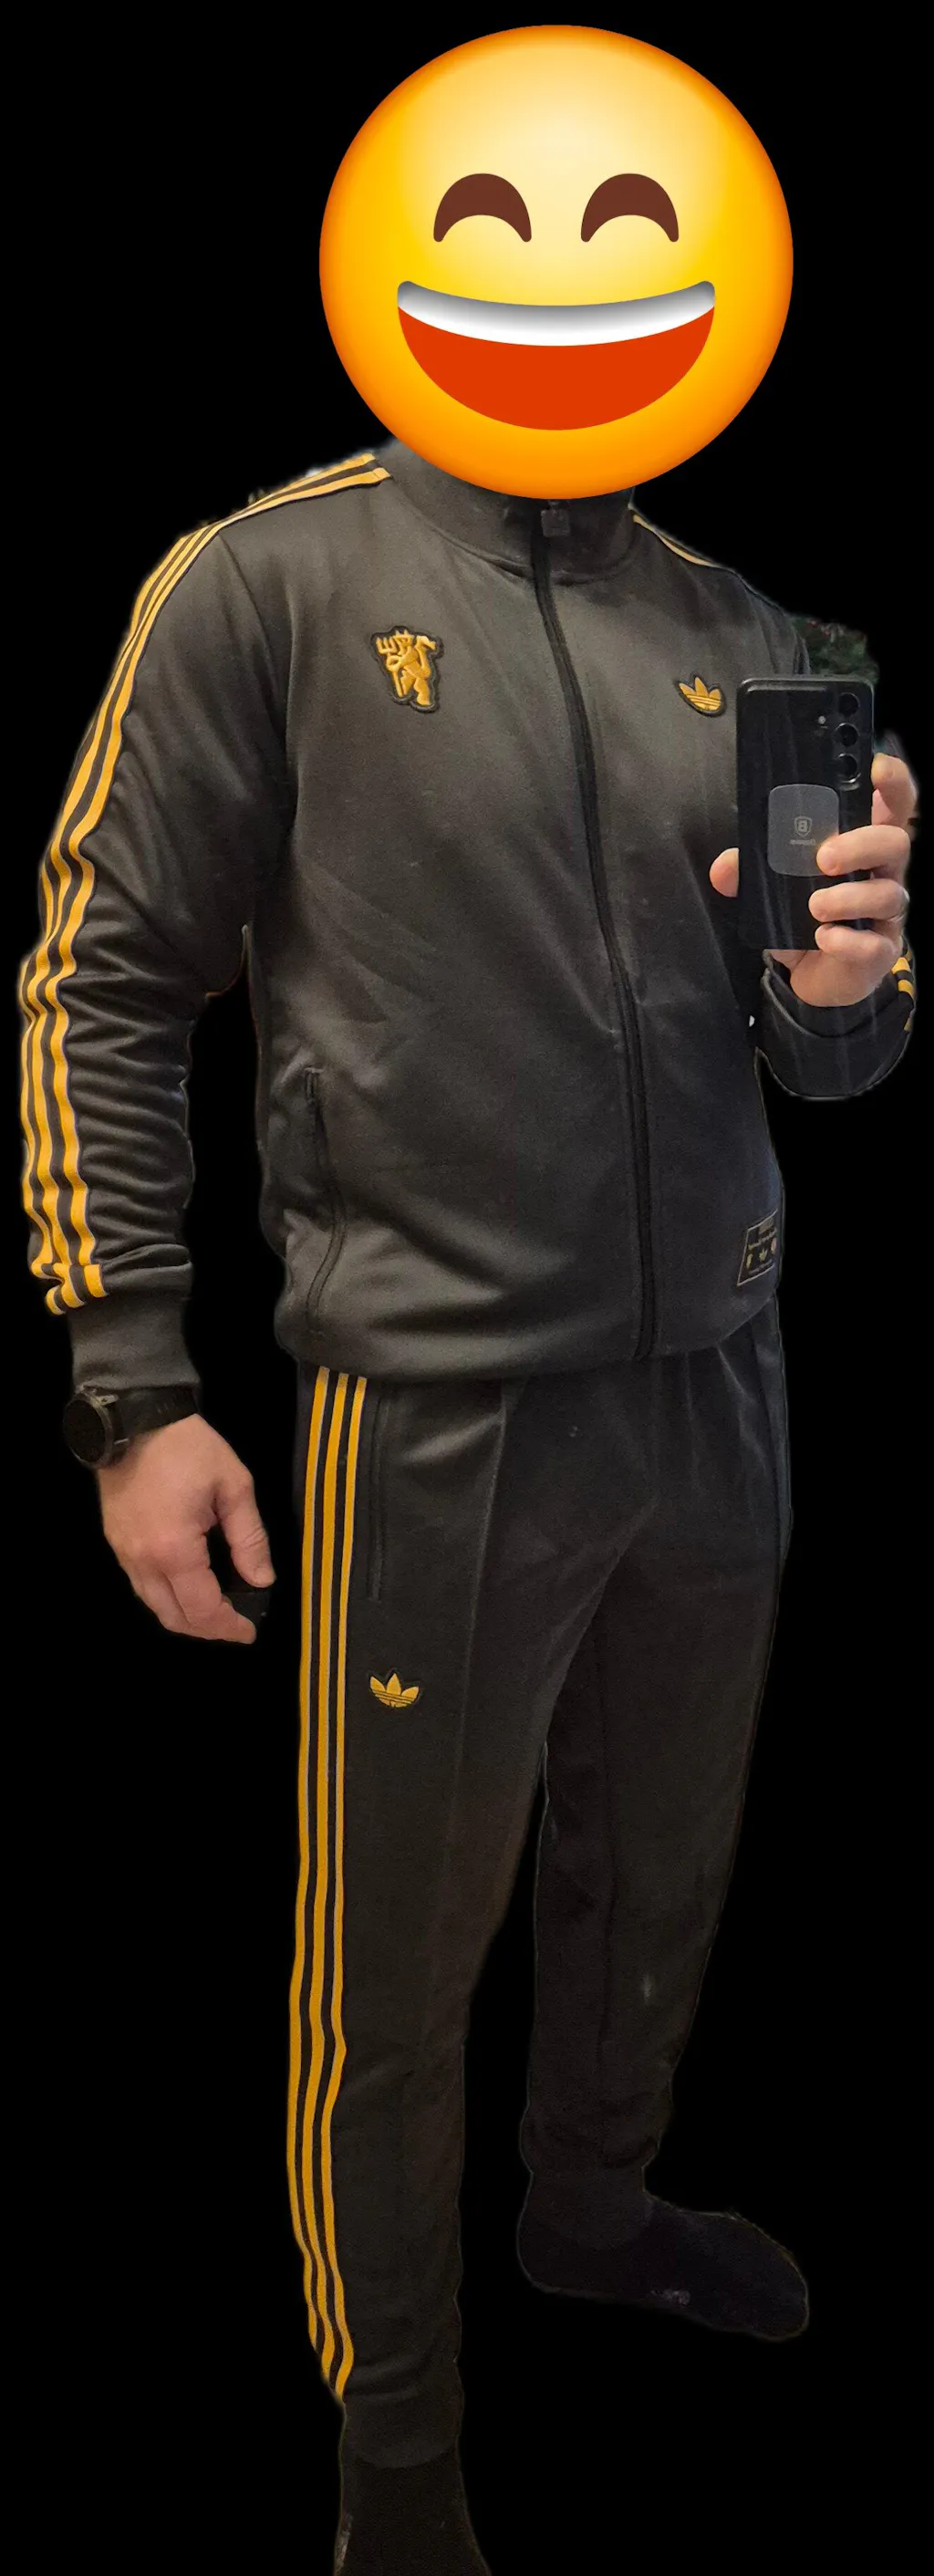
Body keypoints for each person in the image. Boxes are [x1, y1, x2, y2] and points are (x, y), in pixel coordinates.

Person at [16, 440, 917, 2576]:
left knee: (656, 1863)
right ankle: (396, 2445)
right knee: (396, 1957)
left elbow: (835, 1061)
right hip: (434, 1394)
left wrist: (845, 986)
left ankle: (588, 2209)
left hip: (713, 1371)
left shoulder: (743, 626)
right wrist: (134, 1385)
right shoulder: (265, 581)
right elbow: (104, 973)